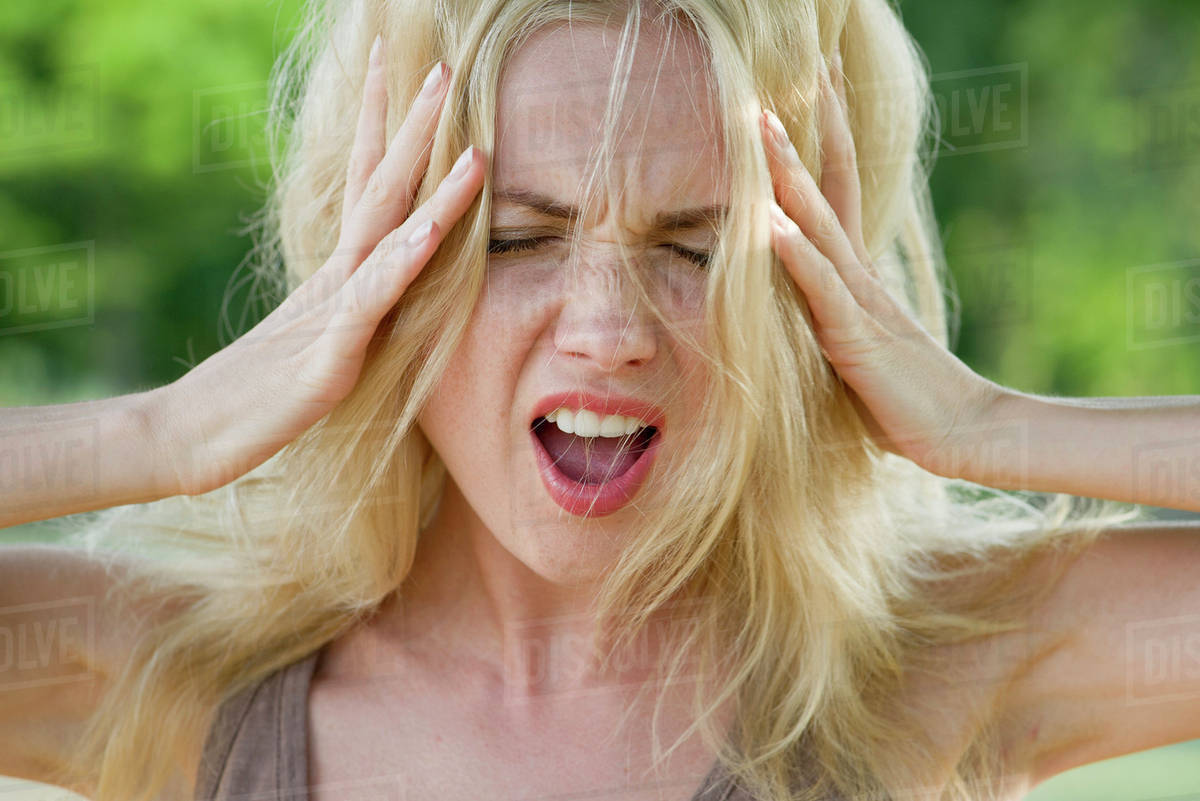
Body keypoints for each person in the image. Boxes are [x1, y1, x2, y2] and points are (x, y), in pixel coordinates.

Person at [1, 1, 1198, 800]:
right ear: (375, 267)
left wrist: (986, 427)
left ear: (808, 287)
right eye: (519, 240)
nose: (612, 334)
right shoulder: (170, 675)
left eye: (697, 251)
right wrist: (169, 430)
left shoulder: (926, 667)